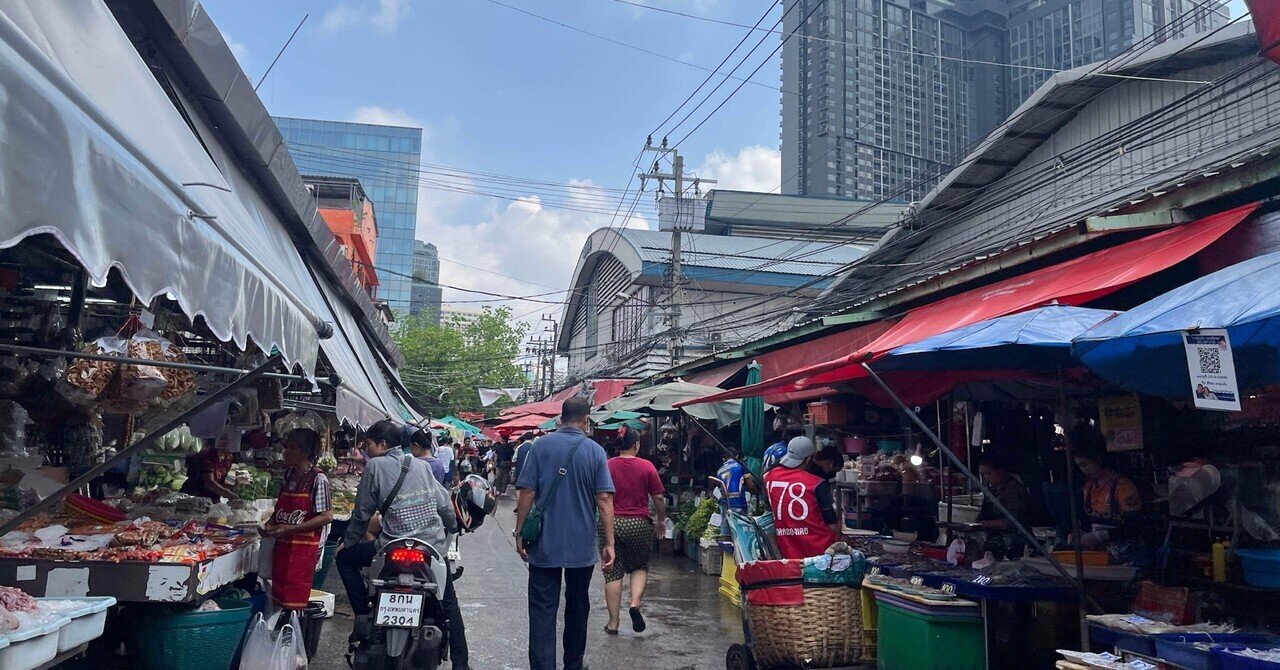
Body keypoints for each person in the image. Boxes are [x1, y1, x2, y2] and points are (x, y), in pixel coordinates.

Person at [337, 420, 470, 670]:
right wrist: (453, 527)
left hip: (391, 546)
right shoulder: (422, 466)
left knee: (343, 559)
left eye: (368, 445)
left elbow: (361, 515)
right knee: (449, 605)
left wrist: (348, 543)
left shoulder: (374, 466)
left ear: (383, 444)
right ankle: (461, 665)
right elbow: (444, 505)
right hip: (430, 548)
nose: (365, 450)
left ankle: (364, 613)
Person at [515, 397, 615, 670]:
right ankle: (573, 664)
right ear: (586, 419)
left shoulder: (540, 446)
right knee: (577, 607)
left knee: (542, 609)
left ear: (561, 418)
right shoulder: (595, 451)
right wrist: (609, 542)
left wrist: (519, 531)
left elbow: (527, 491)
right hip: (581, 546)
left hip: (544, 543)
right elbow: (604, 499)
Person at [600, 430, 665, 635]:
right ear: (636, 445)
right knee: (639, 566)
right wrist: (661, 520)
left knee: (613, 571)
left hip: (611, 523)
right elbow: (659, 498)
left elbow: (600, 495)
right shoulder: (647, 466)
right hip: (639, 524)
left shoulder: (607, 465)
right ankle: (634, 605)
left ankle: (613, 623)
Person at [262, 429, 333, 612]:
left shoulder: (318, 479)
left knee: (295, 597)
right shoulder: (289, 475)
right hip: (283, 546)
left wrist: (291, 529)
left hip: (304, 550)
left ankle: (294, 633)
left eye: (291, 448)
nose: (285, 452)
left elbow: (326, 516)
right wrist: (270, 524)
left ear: (304, 453)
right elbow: (281, 507)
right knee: (278, 594)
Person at [763, 436, 840, 559]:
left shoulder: (769, 477)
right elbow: (831, 523)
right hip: (819, 551)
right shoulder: (817, 483)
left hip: (787, 547)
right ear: (809, 459)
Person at [1071, 447, 1144, 549]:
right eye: (1080, 466)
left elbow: (1134, 526)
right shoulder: (1088, 486)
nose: (1083, 469)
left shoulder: (1123, 486)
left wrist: (1100, 536)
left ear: (1098, 460)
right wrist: (1081, 533)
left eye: (1086, 464)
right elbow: (1087, 520)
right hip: (1098, 549)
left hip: (1124, 547)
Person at [975, 454, 1029, 558]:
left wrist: (985, 524)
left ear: (1001, 470)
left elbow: (1012, 523)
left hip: (1017, 542)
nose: (986, 478)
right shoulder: (993, 490)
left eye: (989, 474)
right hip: (997, 539)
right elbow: (984, 514)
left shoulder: (1015, 490)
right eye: (983, 475)